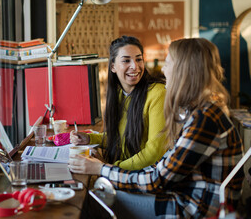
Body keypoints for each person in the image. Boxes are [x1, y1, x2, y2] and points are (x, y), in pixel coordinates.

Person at [69, 38, 244, 218]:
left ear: (184, 71)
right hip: (183, 195)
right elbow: (162, 167)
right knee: (100, 194)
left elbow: (157, 179)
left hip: (195, 209)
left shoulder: (205, 119)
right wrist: (106, 168)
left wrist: (102, 169)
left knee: (94, 201)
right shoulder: (200, 112)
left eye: (167, 63)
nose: (163, 70)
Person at [70, 36, 167, 171]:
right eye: (126, 60)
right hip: (122, 173)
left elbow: (153, 153)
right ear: (113, 67)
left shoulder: (158, 93)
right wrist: (89, 139)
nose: (135, 66)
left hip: (145, 177)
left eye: (139, 59)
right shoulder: (120, 93)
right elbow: (120, 139)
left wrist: (108, 168)